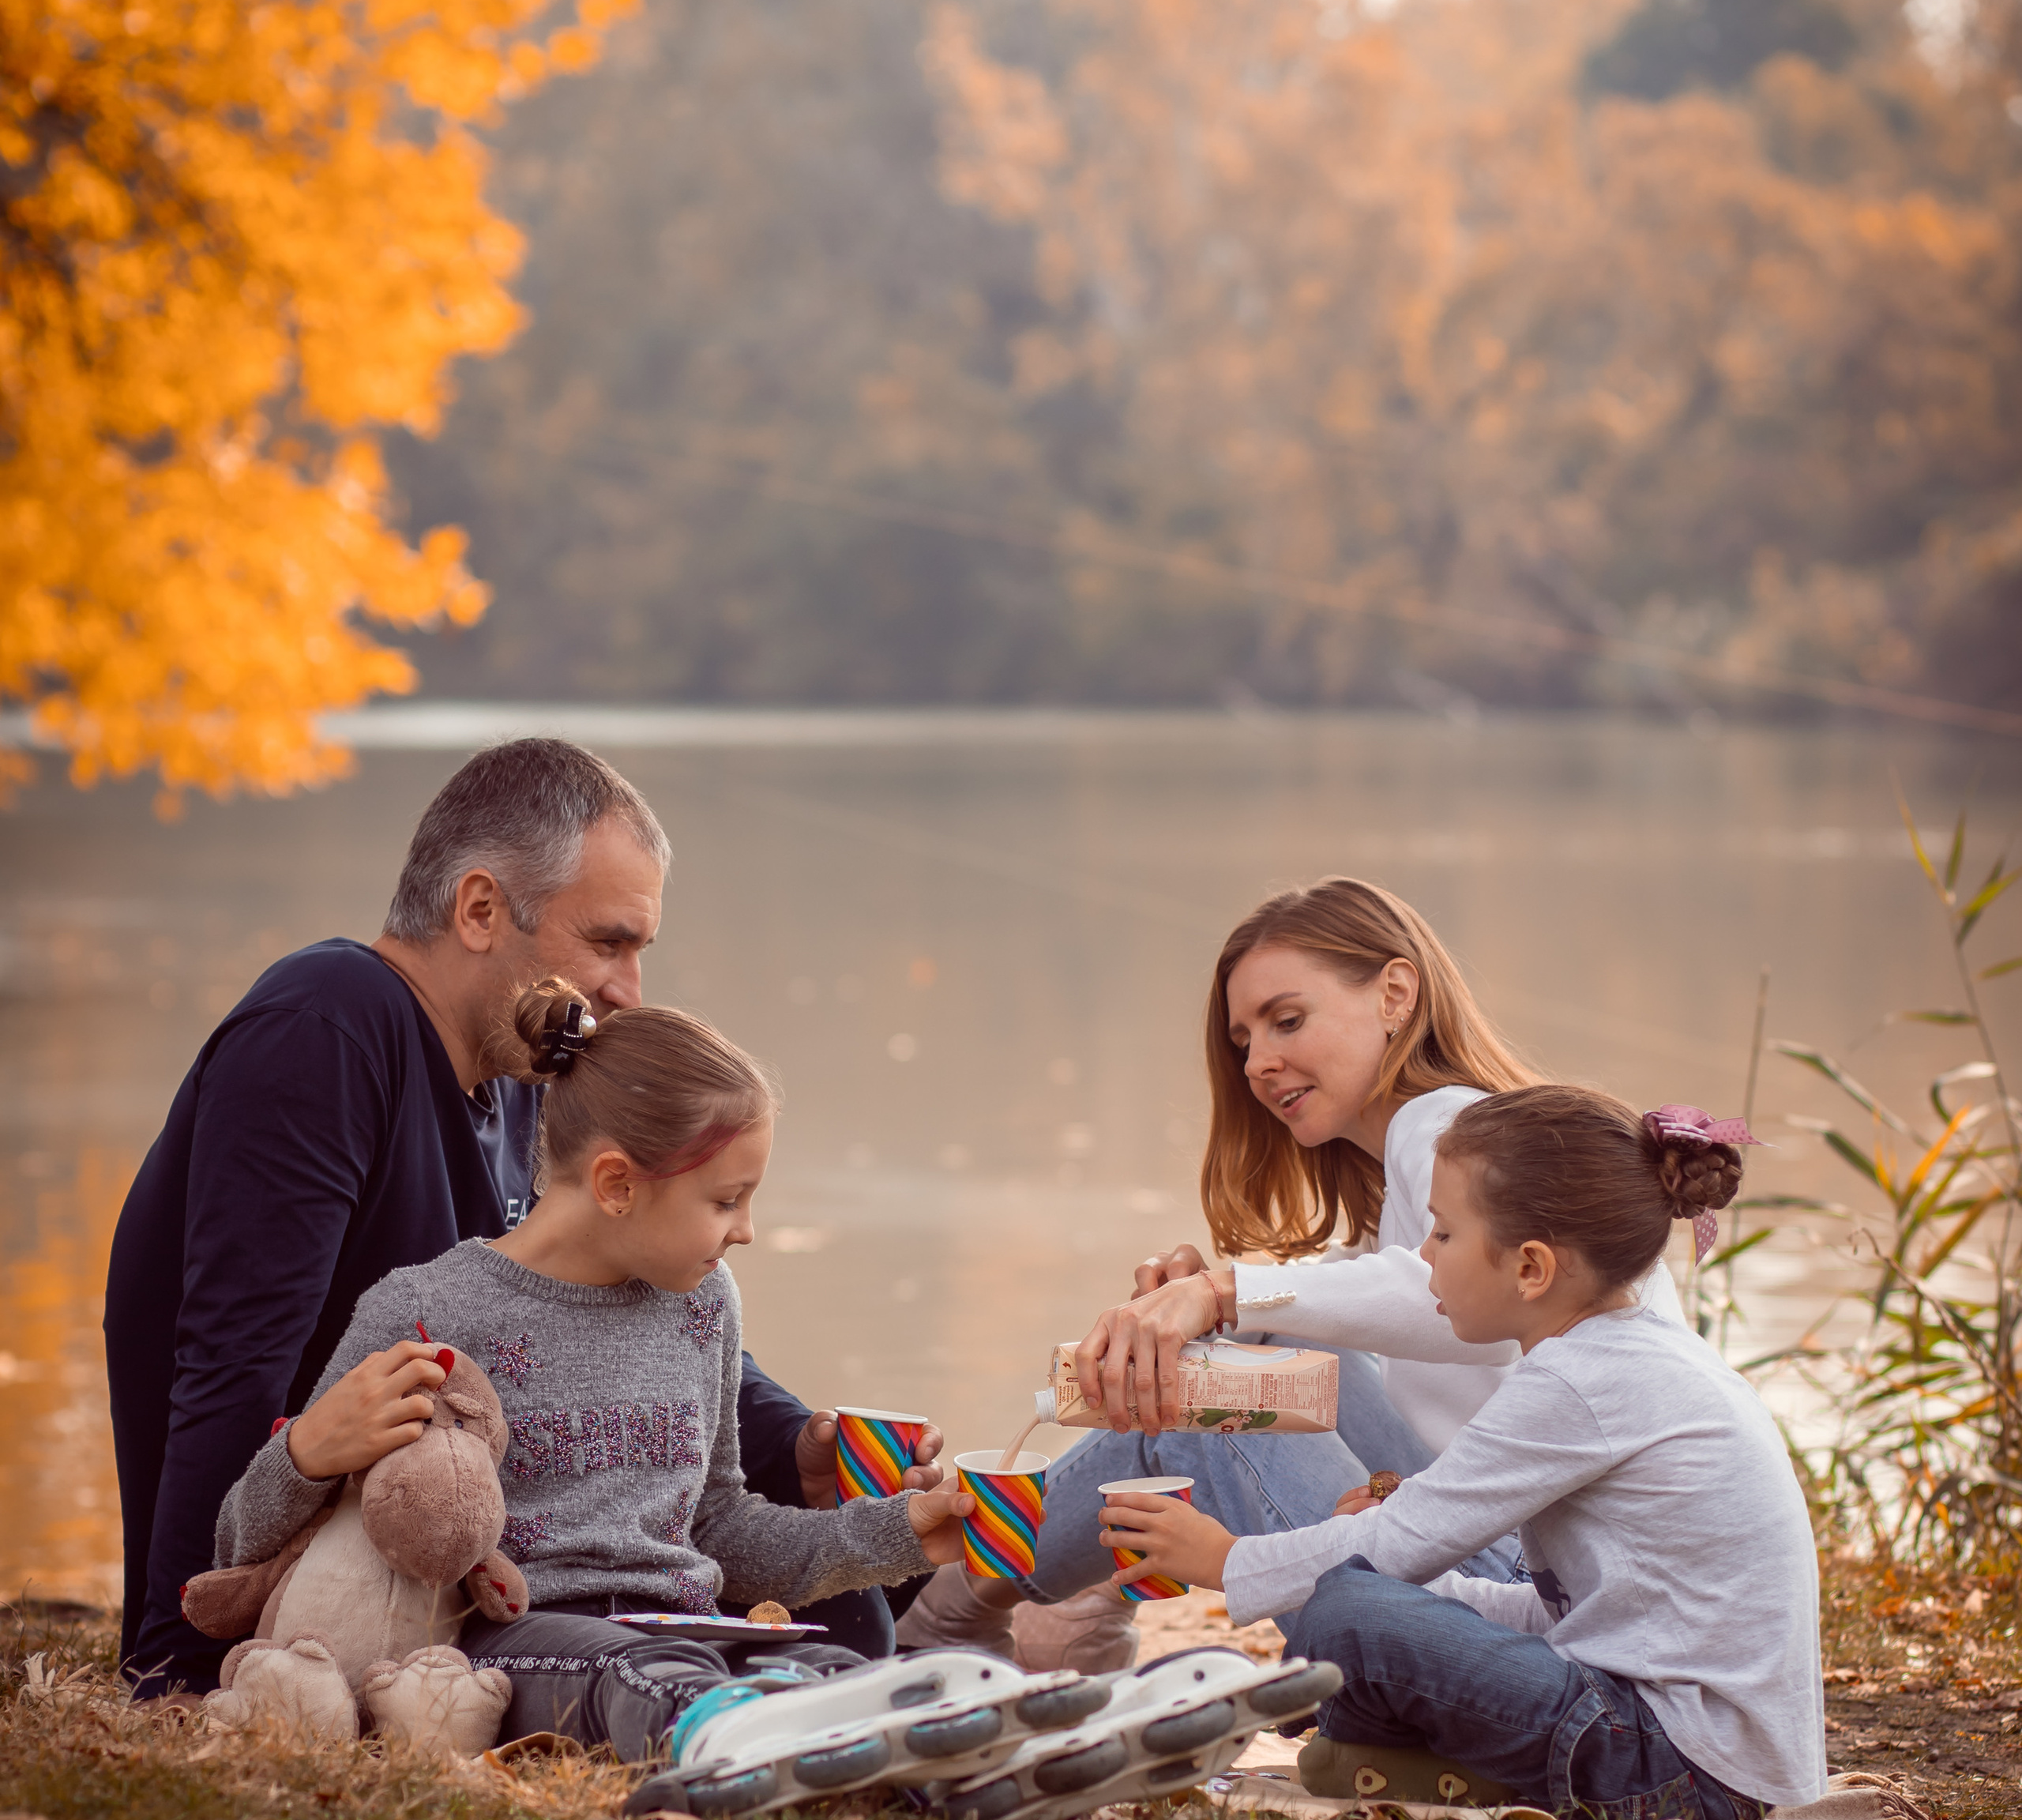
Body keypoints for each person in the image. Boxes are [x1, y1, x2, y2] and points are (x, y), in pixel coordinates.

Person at [108, 737, 934, 1698]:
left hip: (523, 1556)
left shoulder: (532, 1079)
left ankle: (923, 1684)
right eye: (608, 941)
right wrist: (175, 1662)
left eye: (638, 949)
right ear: (480, 908)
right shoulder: (326, 1026)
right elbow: (230, 1361)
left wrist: (796, 1442)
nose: (627, 987)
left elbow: (625, 1305)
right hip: (361, 1571)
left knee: (853, 1601)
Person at [904, 875, 1671, 1652]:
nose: (1257, 1064)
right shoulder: (1463, 1142)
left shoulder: (1445, 1128)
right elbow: (1394, 1306)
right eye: (1244, 1043)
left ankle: (962, 1606)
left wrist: (1224, 1294)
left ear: (1394, 994)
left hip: (1529, 1597)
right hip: (1526, 1564)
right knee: (1258, 1355)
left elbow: (1430, 1301)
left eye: (1287, 1020)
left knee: (1213, 1406)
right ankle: (1062, 1605)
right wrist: (1232, 1305)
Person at [212, 980, 977, 1755]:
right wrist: (309, 1450)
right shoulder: (426, 1312)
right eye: (726, 1199)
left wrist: (901, 1529)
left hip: (684, 1631)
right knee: (643, 1673)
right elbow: (241, 1543)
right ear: (617, 1183)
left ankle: (931, 1744)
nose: (745, 1229)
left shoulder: (702, 1304)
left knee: (827, 1664)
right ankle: (757, 1740)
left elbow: (720, 1526)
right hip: (508, 1642)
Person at [1094, 1087, 1825, 1820]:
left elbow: (1396, 1543)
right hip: (1681, 1745)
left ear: (1532, 1269)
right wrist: (1431, 1603)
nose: (1422, 1256)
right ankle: (1390, 1749)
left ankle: (1384, 1749)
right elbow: (1568, 1613)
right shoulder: (1615, 1355)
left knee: (1350, 1609)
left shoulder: (1580, 1381)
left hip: (1672, 1765)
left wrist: (1226, 1561)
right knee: (1363, 1603)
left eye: (1442, 1234)